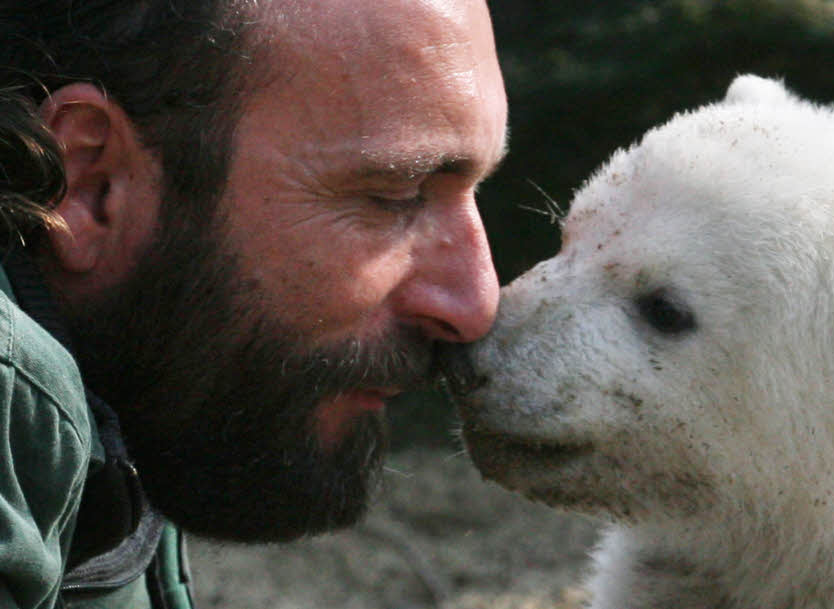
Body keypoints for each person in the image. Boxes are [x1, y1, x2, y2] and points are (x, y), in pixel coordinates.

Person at [0, 0, 508, 607]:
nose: (476, 303)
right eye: (393, 195)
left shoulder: (144, 391)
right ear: (89, 183)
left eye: (474, 190)